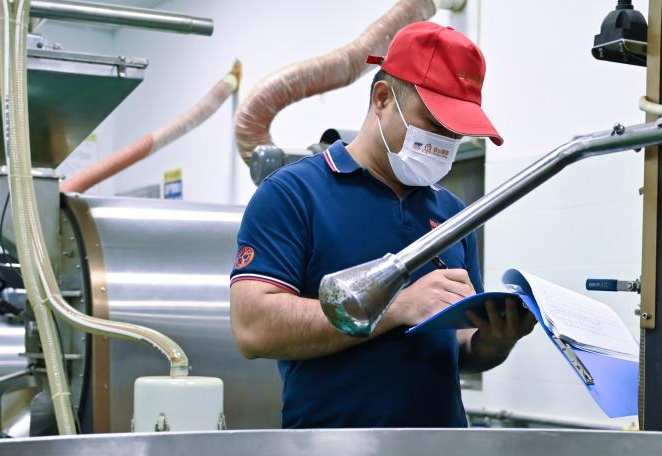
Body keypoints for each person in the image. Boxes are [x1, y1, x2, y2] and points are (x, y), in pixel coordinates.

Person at [230, 21, 536, 428]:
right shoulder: (293, 194)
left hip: (442, 453)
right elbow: (253, 328)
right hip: (329, 453)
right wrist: (396, 307)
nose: (445, 142)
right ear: (382, 98)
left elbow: (457, 343)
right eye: (434, 123)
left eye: (456, 133)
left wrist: (493, 341)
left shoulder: (452, 213)